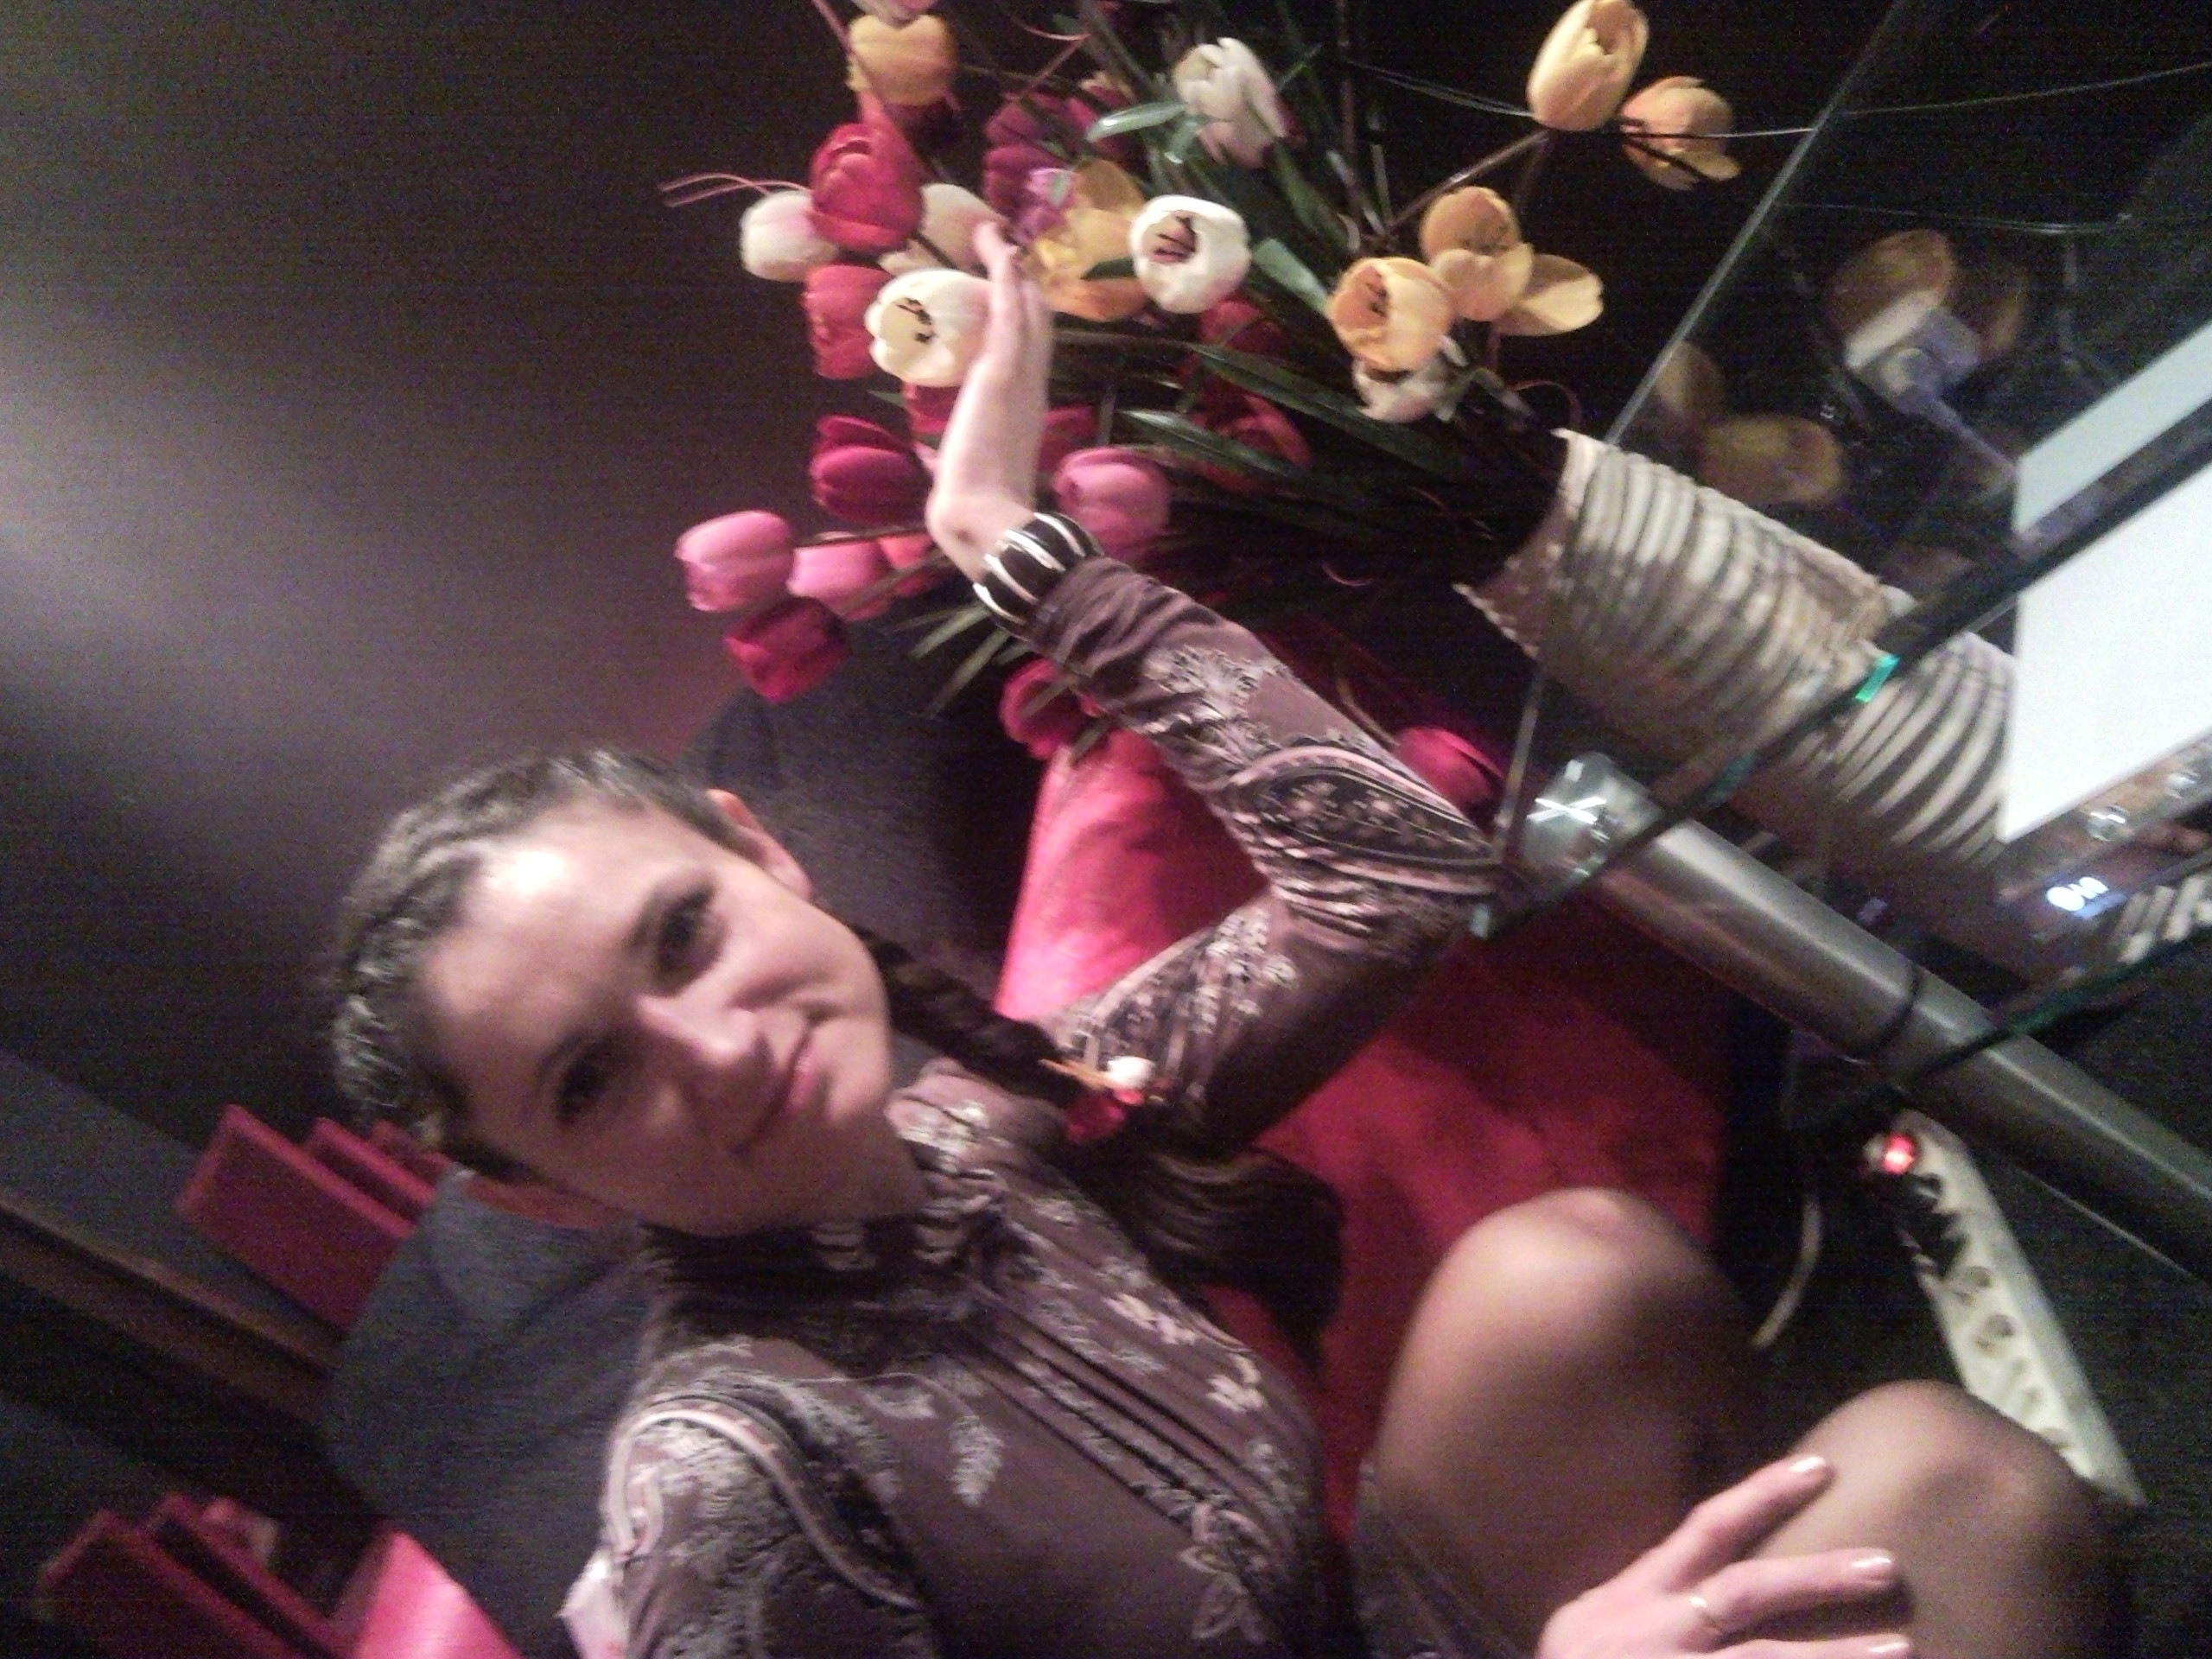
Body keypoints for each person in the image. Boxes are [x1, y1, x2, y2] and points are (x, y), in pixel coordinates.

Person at [326, 226, 2113, 1659]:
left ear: (760, 852)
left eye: (682, 935)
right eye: (590, 1079)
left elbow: (1386, 879)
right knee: (1969, 1497)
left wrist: (1019, 552)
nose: (713, 1045)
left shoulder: (969, 1127)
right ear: (534, 1192)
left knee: (1593, 1285)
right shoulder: (728, 1489)